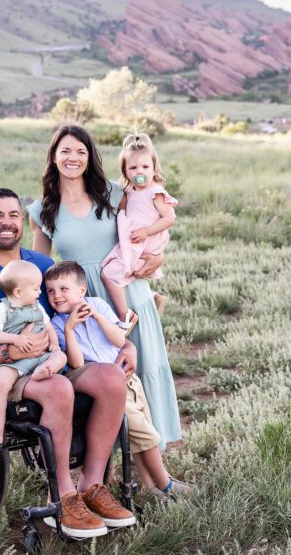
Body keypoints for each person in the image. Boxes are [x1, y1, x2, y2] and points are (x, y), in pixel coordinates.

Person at [0, 188, 137, 538]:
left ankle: (92, 487)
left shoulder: (43, 266)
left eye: (14, 215)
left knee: (110, 378)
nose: (7, 223)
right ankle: (61, 497)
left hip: (53, 358)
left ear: (22, 220)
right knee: (59, 386)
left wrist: (126, 345)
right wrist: (10, 352)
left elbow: (80, 311)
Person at [27, 125, 183, 449]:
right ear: (53, 157)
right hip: (86, 306)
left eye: (81, 151)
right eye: (66, 151)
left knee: (146, 370)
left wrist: (156, 258)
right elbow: (40, 270)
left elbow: (145, 229)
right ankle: (109, 468)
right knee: (110, 385)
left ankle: (155, 468)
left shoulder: (113, 193)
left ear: (90, 157)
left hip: (128, 295)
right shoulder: (43, 211)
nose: (73, 158)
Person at [46, 261, 193, 499]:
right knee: (145, 433)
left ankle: (148, 485)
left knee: (140, 430)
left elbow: (118, 339)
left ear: (82, 290)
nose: (57, 296)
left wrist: (96, 316)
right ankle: (165, 483)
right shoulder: (58, 324)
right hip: (108, 387)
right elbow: (77, 365)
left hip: (130, 380)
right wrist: (70, 330)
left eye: (64, 289)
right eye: (51, 291)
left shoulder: (99, 305)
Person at [0, 259, 67, 444]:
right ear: (18, 292)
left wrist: (54, 344)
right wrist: (15, 339)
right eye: (36, 288)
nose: (40, 292)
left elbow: (49, 328)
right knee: (0, 384)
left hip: (39, 357)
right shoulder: (3, 308)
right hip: (13, 362)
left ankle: (45, 370)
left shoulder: (37, 307)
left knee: (60, 356)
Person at [100, 133, 178, 326]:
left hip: (144, 241)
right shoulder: (130, 192)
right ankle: (151, 297)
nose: (139, 171)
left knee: (109, 273)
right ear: (126, 172)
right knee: (125, 274)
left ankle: (124, 315)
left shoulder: (155, 192)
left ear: (153, 168)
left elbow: (170, 218)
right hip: (134, 240)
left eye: (145, 166)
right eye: (133, 168)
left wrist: (147, 231)